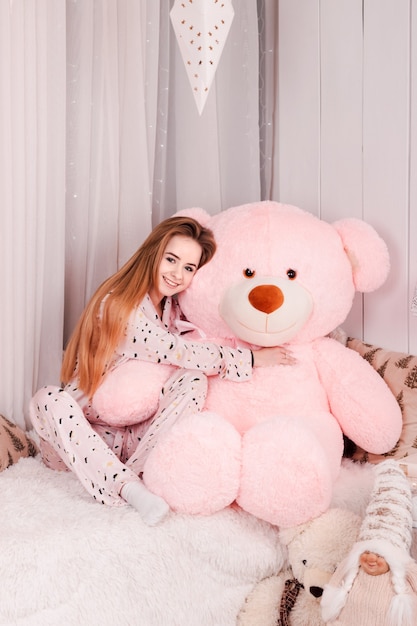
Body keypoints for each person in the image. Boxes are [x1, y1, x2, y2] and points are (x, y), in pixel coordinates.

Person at [30, 215, 294, 526]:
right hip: (80, 436)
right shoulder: (116, 304)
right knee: (48, 398)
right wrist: (248, 359)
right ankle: (128, 489)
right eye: (172, 259)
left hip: (131, 441)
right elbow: (175, 351)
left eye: (189, 268)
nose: (177, 274)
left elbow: (198, 346)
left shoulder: (173, 309)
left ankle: (143, 476)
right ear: (153, 253)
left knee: (194, 379)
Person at [321, 459, 417, 626]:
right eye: (367, 552)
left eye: (380, 555)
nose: (372, 559)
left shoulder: (405, 572)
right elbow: (335, 584)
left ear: (393, 558)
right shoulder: (352, 568)